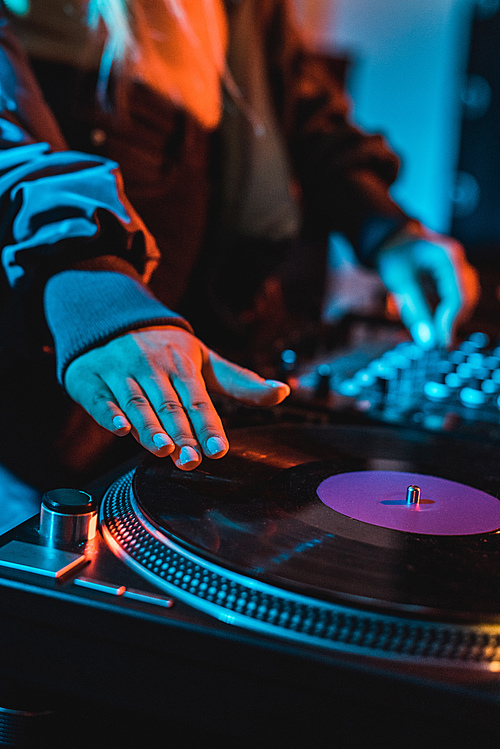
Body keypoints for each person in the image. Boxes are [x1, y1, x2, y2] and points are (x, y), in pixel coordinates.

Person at [0, 0, 478, 491]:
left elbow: (301, 107)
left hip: (199, 375)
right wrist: (95, 287)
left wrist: (389, 230)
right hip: (37, 423)